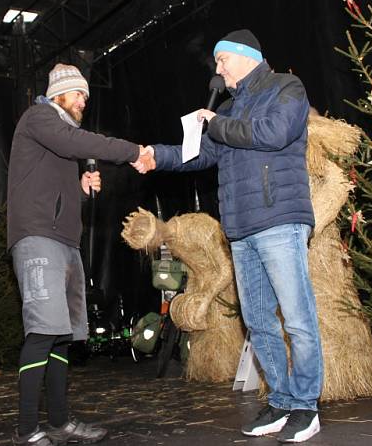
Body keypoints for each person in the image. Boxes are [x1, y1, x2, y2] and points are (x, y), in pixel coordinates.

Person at [135, 30, 323, 443]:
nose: (216, 69)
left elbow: (273, 133)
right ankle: (281, 400)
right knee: (257, 322)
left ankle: (306, 407)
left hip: (279, 221)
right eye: (216, 63)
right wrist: (155, 156)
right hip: (241, 229)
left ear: (246, 56)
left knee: (297, 319)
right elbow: (200, 153)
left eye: (222, 60)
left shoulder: (285, 88)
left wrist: (217, 121)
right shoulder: (231, 109)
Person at [7, 63, 152, 445]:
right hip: (38, 239)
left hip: (64, 242)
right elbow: (79, 142)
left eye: (86, 95)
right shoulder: (40, 116)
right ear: (58, 94)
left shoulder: (58, 134)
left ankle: (59, 422)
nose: (83, 101)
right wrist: (134, 150)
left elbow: (51, 176)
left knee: (62, 336)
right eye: (77, 94)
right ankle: (26, 429)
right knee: (42, 332)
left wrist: (79, 187)